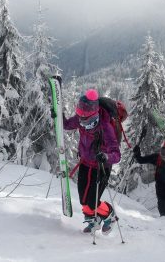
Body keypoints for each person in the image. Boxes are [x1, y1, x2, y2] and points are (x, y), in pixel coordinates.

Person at [63, 89, 121, 234]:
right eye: (80, 117)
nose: (81, 121)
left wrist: (106, 157)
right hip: (85, 163)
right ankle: (93, 220)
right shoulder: (81, 117)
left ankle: (110, 216)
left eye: (85, 119)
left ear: (93, 113)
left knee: (92, 201)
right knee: (83, 198)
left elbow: (116, 154)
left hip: (100, 167)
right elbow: (67, 125)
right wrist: (58, 116)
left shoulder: (105, 126)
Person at [133, 137, 165, 218]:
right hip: (160, 183)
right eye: (163, 151)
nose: (164, 155)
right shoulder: (158, 158)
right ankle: (162, 217)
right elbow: (141, 160)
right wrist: (137, 154)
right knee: (161, 201)